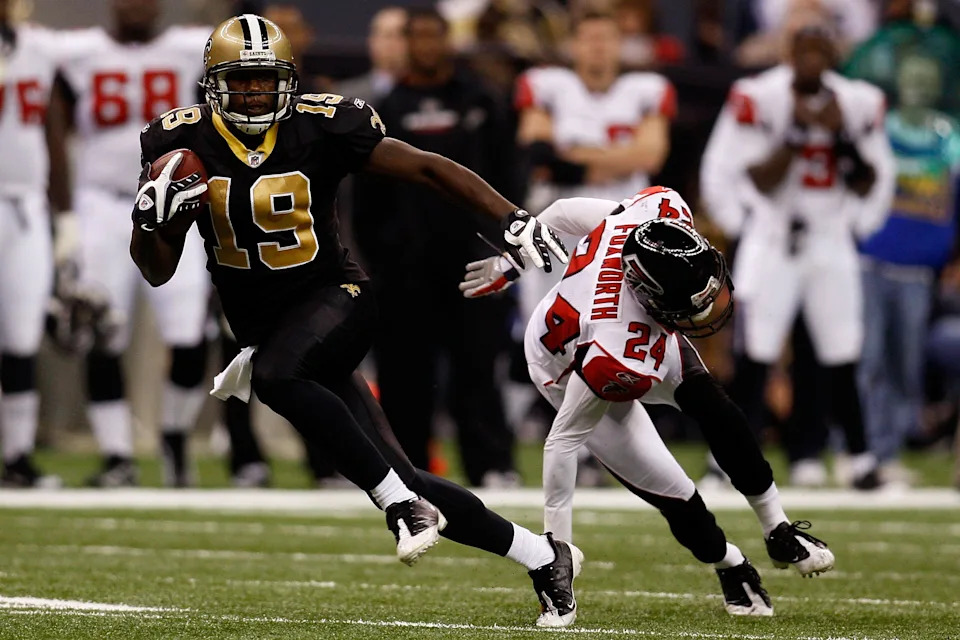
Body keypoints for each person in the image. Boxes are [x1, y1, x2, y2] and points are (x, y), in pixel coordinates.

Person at [131, 13, 578, 628]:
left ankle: (400, 508)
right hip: (267, 325)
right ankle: (542, 556)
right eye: (243, 82)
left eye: (267, 81)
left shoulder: (321, 125)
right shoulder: (178, 146)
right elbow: (155, 269)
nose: (256, 94)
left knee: (277, 379)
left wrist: (510, 218)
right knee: (399, 467)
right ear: (213, 84)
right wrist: (152, 219)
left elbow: (426, 165)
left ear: (288, 80)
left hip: (337, 297)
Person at [460, 186, 835, 617]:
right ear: (650, 295)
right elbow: (562, 442)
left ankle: (778, 530)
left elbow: (562, 211)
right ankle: (729, 562)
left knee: (720, 412)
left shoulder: (653, 220)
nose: (710, 308)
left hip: (637, 332)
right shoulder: (616, 347)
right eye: (691, 307)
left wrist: (512, 262)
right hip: (569, 368)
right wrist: (556, 550)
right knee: (676, 493)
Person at [699, 23, 896, 487]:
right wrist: (798, 130)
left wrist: (841, 137)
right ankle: (725, 460)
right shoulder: (759, 94)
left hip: (829, 234)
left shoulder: (857, 101)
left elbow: (873, 177)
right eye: (803, 51)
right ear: (789, 53)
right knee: (755, 352)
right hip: (774, 234)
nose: (811, 60)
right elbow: (758, 177)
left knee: (841, 350)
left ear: (833, 55)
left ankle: (859, 459)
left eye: (820, 50)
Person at [50, 0, 212, 487]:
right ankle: (117, 454)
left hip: (175, 205)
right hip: (102, 203)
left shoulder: (189, 50)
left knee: (189, 336)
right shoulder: (77, 51)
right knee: (103, 331)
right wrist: (65, 217)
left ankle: (176, 436)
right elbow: (53, 125)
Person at [513, 9, 676, 483]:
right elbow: (537, 152)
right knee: (555, 334)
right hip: (563, 232)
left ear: (619, 45)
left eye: (607, 39)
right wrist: (613, 159)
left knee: (619, 332)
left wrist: (573, 159)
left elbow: (651, 154)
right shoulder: (547, 85)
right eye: (589, 39)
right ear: (574, 46)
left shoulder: (645, 89)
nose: (598, 48)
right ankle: (570, 441)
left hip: (627, 236)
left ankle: (612, 446)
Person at [369, 7, 521, 487]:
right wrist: (379, 256)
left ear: (448, 41)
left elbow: (507, 176)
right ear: (407, 44)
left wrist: (504, 246)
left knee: (478, 367)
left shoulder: (483, 100)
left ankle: (492, 464)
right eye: (419, 37)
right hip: (405, 267)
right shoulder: (385, 108)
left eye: (436, 36)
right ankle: (407, 469)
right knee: (404, 374)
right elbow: (367, 195)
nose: (428, 46)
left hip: (474, 258)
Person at [856, 53, 960, 484]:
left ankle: (889, 450)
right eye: (910, 72)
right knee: (868, 360)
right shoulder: (878, 128)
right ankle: (861, 451)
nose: (917, 82)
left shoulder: (950, 137)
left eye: (926, 74)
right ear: (897, 79)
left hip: (919, 270)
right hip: (871, 260)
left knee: (905, 364)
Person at [0, 0, 70, 487]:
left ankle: (17, 455)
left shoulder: (41, 48)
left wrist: (65, 216)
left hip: (25, 207)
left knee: (22, 337)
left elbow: (53, 128)